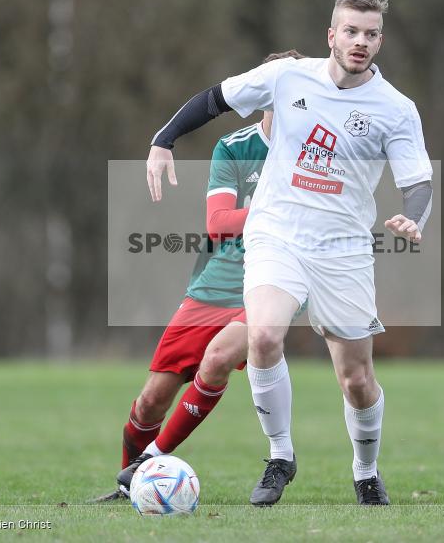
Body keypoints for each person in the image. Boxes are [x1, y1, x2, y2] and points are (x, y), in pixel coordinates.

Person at [144, 0, 433, 506]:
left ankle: (365, 471)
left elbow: (418, 182)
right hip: (277, 234)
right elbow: (215, 98)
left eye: (370, 34)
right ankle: (280, 456)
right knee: (263, 335)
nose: (360, 42)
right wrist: (164, 139)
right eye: (351, 31)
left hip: (343, 249)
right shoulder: (287, 77)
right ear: (331, 35)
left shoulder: (396, 109)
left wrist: (414, 216)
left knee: (357, 379)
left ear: (380, 41)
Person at [93, 50, 308, 503]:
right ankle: (128, 486)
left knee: (218, 358)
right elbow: (218, 224)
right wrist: (276, 212)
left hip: (276, 280)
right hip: (215, 284)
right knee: (151, 400)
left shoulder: (314, 154)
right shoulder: (235, 147)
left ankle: (148, 464)